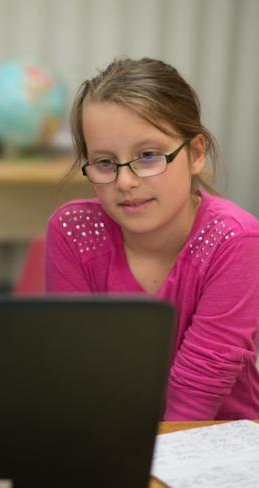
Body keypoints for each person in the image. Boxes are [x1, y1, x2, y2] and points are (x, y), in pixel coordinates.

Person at [46, 57, 259, 421]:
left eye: (147, 156)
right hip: (116, 432)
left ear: (194, 154)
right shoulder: (72, 231)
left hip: (214, 442)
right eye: (105, 162)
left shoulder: (236, 240)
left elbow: (197, 390)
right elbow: (79, 367)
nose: (125, 181)